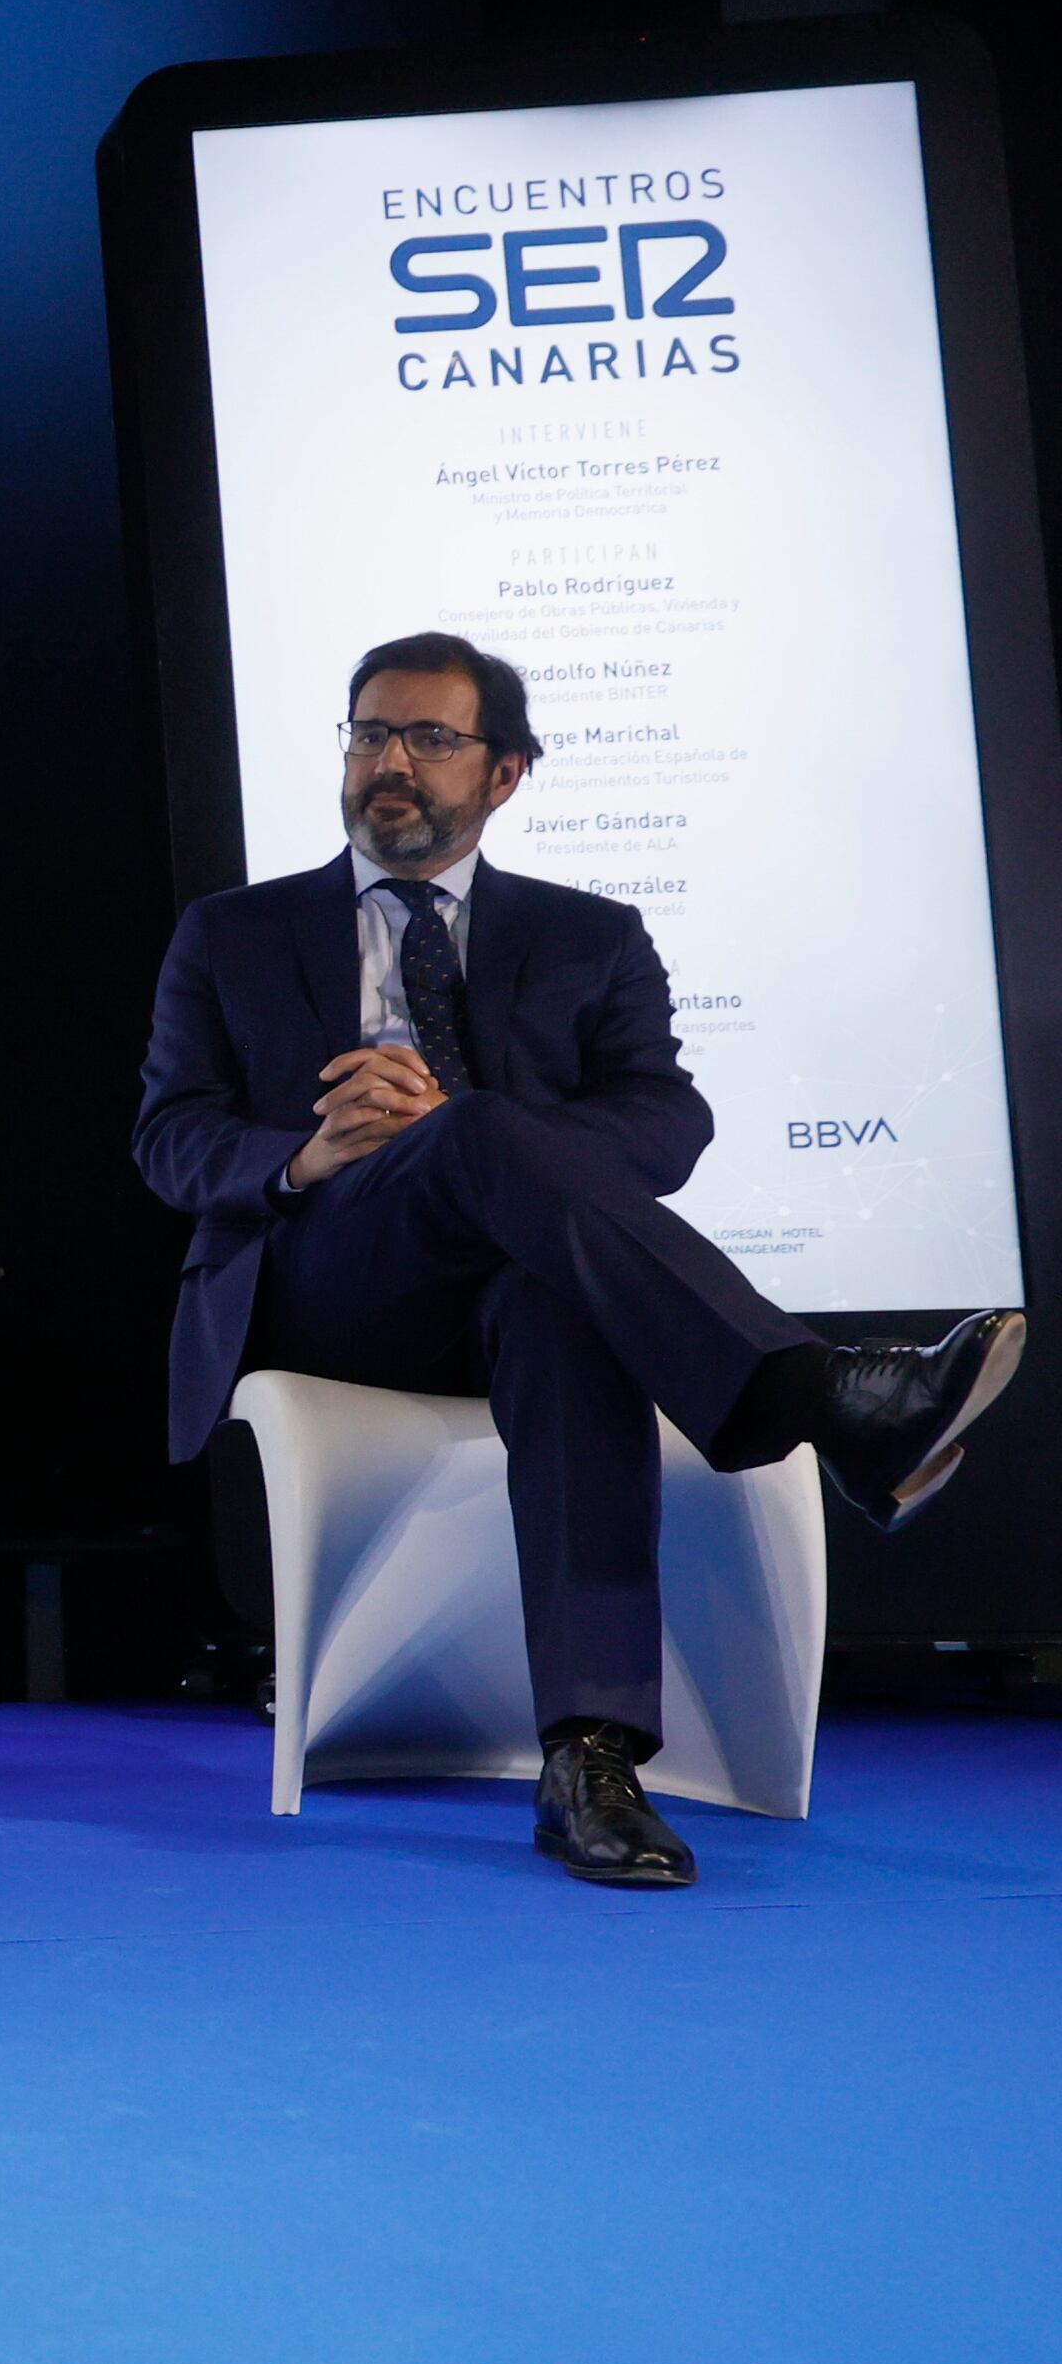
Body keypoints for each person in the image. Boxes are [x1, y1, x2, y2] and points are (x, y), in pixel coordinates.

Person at [138, 629, 1019, 1888]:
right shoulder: (230, 933)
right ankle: (815, 1395)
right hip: (327, 1280)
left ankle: (587, 1757)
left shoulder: (586, 936)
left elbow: (665, 1124)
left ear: (502, 775)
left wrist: (474, 1141)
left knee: (551, 1289)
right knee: (484, 1138)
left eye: (428, 739)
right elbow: (167, 1138)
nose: (388, 762)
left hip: (512, 1290)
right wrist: (311, 1150)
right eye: (367, 732)